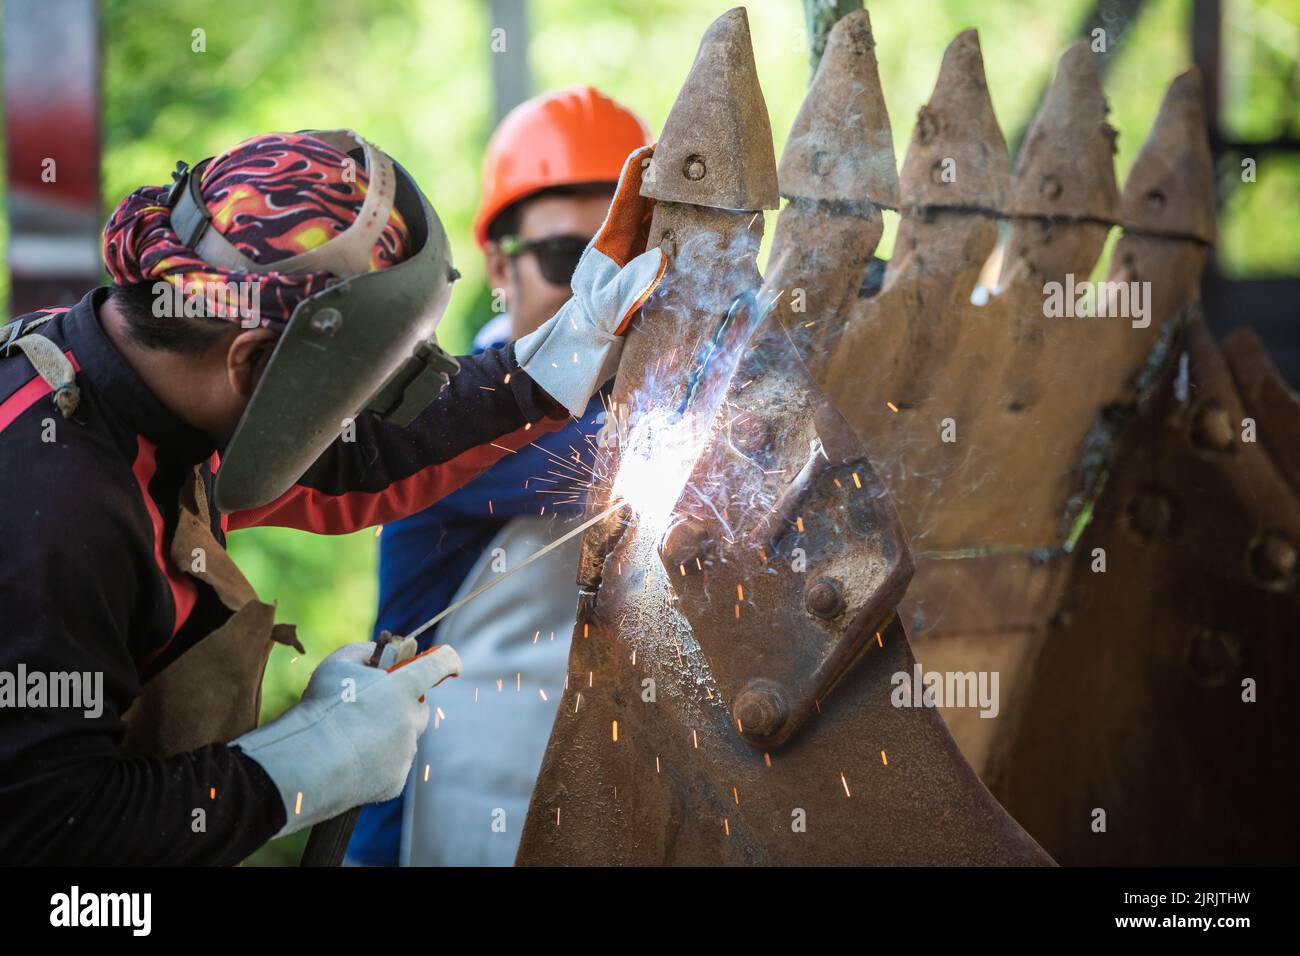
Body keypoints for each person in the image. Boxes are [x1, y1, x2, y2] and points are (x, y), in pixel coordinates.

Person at [0, 126, 661, 864]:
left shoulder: (161, 384)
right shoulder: (57, 514)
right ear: (252, 364)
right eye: (354, 389)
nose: (364, 415)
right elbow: (49, 834)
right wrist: (302, 762)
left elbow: (363, 453)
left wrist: (563, 352)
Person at [345, 88, 651, 866]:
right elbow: (596, 458)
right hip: (447, 818)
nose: (597, 291)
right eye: (567, 260)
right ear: (497, 265)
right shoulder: (441, 418)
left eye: (621, 262)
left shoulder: (645, 407)